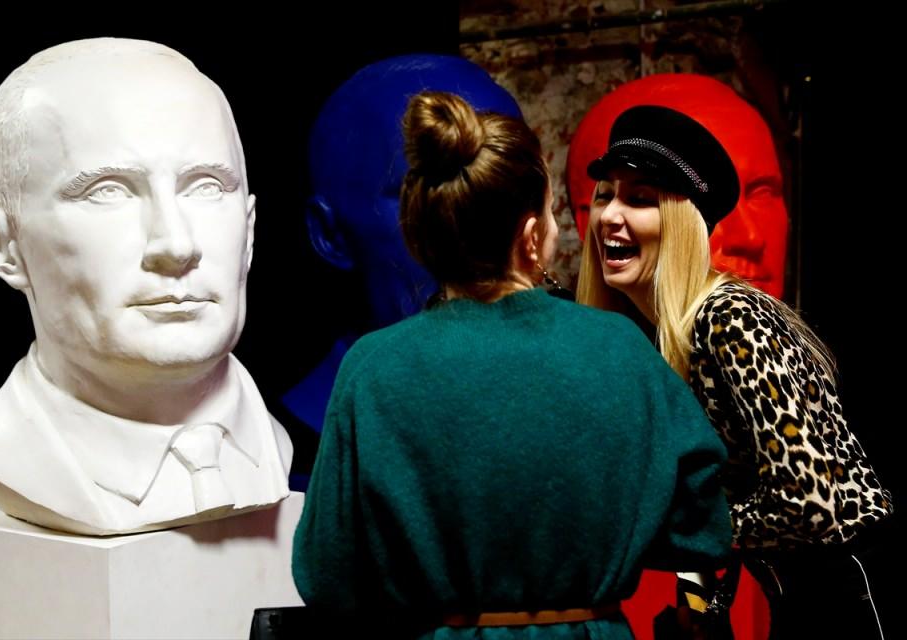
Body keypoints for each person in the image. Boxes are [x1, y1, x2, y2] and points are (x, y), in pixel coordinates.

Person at [293, 91, 731, 638]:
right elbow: (703, 529)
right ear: (530, 236)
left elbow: (325, 573)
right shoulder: (621, 347)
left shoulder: (373, 369)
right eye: (550, 213)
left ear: (422, 234)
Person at [0, 38, 292, 535]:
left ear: (250, 228)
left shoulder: (282, 450)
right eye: (107, 192)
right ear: (3, 244)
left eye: (206, 186)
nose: (176, 245)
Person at [578, 104, 893, 638]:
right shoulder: (661, 334)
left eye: (640, 199)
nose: (610, 215)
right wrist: (696, 598)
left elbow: (811, 503)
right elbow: (716, 490)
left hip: (853, 589)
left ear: (682, 224)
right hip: (795, 591)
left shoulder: (728, 317)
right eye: (605, 194)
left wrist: (677, 537)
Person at [282, 54, 524, 448]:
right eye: (430, 193)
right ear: (330, 233)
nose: (482, 228)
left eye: (504, 188)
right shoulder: (291, 456)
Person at [567, 74, 789, 299]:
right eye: (606, 196)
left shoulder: (734, 315)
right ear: (588, 224)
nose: (751, 238)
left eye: (762, 193)